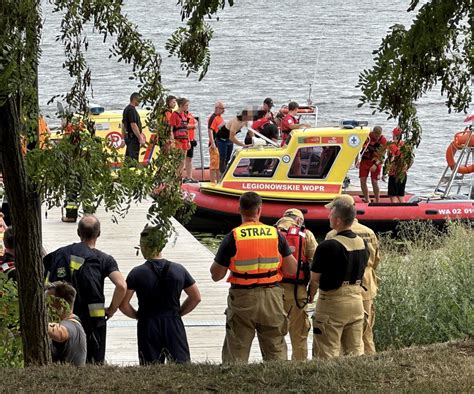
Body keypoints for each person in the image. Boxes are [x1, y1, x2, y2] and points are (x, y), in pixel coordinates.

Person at [210, 191, 297, 364]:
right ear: (259, 210)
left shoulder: (233, 237)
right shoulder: (275, 234)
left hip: (242, 299)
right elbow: (291, 268)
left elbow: (216, 275)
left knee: (236, 351)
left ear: (239, 209)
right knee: (275, 350)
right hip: (271, 297)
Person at [43, 215, 127, 364]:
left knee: (62, 362)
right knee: (94, 364)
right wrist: (112, 309)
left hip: (64, 319)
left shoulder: (59, 254)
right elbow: (121, 285)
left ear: (78, 232)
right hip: (93, 322)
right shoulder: (104, 260)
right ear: (98, 234)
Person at [120, 226, 201, 364]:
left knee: (150, 369)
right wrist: (178, 313)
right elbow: (196, 297)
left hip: (148, 323)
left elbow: (123, 304)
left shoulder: (137, 273)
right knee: (181, 367)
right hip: (173, 322)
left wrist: (138, 315)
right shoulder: (178, 269)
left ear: (144, 246)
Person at [309, 200, 368, 359]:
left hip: (332, 303)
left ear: (338, 220)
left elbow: (315, 278)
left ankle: (326, 382)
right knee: (355, 351)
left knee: (326, 351)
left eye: (331, 214)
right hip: (356, 301)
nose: (328, 216)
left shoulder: (328, 246)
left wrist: (309, 296)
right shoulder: (363, 243)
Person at [324, 194, 380, 354]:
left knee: (341, 334)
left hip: (344, 287)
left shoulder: (333, 235)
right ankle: (370, 363)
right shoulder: (369, 232)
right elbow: (376, 260)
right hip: (367, 285)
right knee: (366, 331)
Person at [275, 209, 317, 361]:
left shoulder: (271, 233)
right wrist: (312, 292)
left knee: (275, 336)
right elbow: (316, 266)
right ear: (299, 221)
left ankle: (277, 368)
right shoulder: (307, 235)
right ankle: (299, 369)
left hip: (273, 293)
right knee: (299, 336)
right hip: (297, 293)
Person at [46, 281, 87, 366]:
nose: (45, 306)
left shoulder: (71, 325)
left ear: (62, 304)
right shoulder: (73, 323)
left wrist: (39, 324)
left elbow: (61, 333)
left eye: (49, 301)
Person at [356, 126, 387, 203]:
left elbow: (382, 155)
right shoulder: (366, 137)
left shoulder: (383, 140)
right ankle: (367, 199)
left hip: (376, 161)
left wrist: (375, 165)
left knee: (374, 182)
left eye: (379, 135)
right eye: (376, 135)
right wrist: (356, 160)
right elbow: (357, 147)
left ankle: (377, 201)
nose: (377, 137)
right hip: (365, 161)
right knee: (362, 180)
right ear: (373, 133)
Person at [169, 98, 195, 181]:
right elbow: (171, 129)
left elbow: (185, 129)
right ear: (181, 105)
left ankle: (179, 176)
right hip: (177, 140)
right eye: (186, 105)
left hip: (184, 140)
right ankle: (176, 176)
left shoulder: (185, 115)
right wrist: (172, 141)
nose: (187, 107)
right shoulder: (175, 115)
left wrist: (188, 141)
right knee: (178, 159)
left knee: (183, 161)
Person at [387, 127, 412, 203]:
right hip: (403, 174)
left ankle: (394, 212)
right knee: (401, 196)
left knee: (393, 196)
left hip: (394, 173)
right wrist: (406, 168)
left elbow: (390, 159)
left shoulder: (391, 146)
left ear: (394, 135)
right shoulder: (406, 146)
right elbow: (410, 160)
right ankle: (404, 212)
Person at [122, 92, 146, 162]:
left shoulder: (126, 109)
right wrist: (140, 137)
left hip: (128, 137)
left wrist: (123, 138)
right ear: (135, 99)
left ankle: (126, 172)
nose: (140, 102)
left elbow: (123, 125)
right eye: (139, 100)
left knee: (128, 158)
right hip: (133, 139)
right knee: (133, 160)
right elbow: (133, 125)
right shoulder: (132, 110)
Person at [208, 101, 226, 182]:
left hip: (220, 142)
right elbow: (210, 130)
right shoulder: (213, 117)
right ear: (217, 108)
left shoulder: (220, 117)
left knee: (218, 164)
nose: (223, 110)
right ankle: (212, 181)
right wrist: (212, 143)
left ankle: (218, 180)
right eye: (222, 108)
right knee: (214, 163)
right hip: (214, 142)